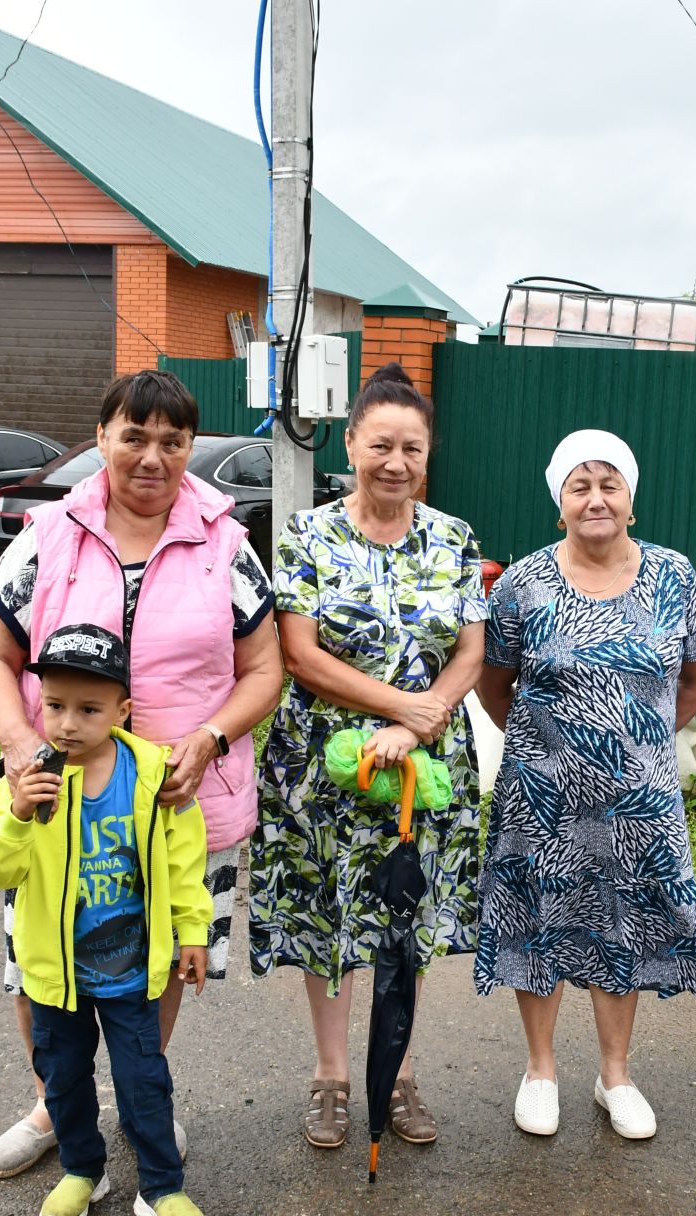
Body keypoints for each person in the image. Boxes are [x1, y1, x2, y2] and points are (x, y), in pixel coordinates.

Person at [0, 370, 281, 1178]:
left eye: (171, 442)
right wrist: (14, 740)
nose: (152, 457)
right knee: (41, 953)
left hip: (180, 804)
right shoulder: (48, 535)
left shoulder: (225, 542)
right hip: (56, 796)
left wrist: (211, 737)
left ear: (189, 450)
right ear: (102, 436)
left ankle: (141, 1103)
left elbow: (264, 671)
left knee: (160, 958)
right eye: (133, 437)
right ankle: (55, 1105)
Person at [250, 363, 487, 1149]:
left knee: (406, 918)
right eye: (380, 444)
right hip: (325, 766)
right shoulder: (309, 535)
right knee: (330, 920)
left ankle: (401, 1071)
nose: (396, 461)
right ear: (351, 444)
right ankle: (331, 1079)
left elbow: (470, 650)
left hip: (423, 767)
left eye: (411, 448)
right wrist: (396, 707)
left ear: (429, 454)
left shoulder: (455, 538)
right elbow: (300, 654)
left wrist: (420, 724)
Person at [475, 429, 696, 1141]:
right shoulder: (523, 581)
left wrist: (637, 742)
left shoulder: (674, 577)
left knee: (625, 927)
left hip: (638, 804)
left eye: (609, 484)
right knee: (538, 922)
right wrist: (549, 746)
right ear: (560, 503)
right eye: (579, 486)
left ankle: (615, 1075)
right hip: (541, 801)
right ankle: (541, 1070)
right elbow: (497, 686)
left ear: (631, 500)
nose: (596, 499)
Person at [0, 623, 213, 1216]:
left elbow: (185, 860)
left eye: (88, 709)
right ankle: (83, 1169)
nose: (68, 724)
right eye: (54, 706)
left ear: (122, 709)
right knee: (64, 1078)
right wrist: (21, 815)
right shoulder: (25, 780)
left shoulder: (153, 773)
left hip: (134, 972)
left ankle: (162, 1186)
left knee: (145, 1080)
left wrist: (192, 932)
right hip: (58, 975)